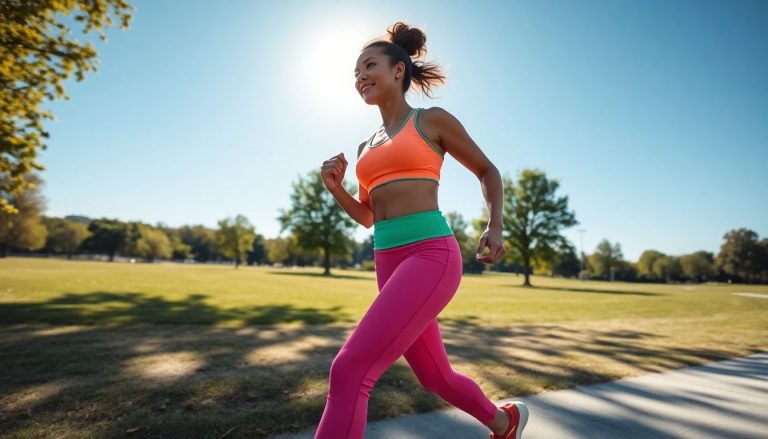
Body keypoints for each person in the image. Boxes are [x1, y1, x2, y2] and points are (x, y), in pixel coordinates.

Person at [317, 21, 529, 439]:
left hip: (430, 255)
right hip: (387, 260)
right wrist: (336, 188)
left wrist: (495, 225)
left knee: (350, 369)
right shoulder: (365, 147)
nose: (360, 76)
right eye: (355, 72)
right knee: (435, 376)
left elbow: (487, 170)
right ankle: (505, 423)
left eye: (369, 65)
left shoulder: (430, 120)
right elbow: (368, 216)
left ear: (398, 71)